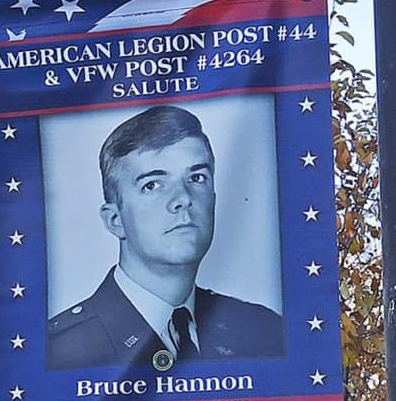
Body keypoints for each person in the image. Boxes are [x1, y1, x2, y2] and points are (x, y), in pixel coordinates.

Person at [47, 104, 284, 370]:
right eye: (152, 185)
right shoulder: (59, 350)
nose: (183, 199)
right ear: (115, 220)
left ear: (214, 200)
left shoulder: (264, 332)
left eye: (196, 177)